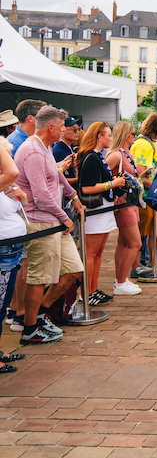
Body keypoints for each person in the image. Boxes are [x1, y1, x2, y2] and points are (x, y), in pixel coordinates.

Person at [15, 106, 85, 344]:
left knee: (74, 270)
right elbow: (41, 195)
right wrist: (64, 217)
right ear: (52, 127)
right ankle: (30, 328)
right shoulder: (33, 151)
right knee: (39, 277)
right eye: (63, 125)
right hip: (41, 223)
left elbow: (56, 176)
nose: (66, 129)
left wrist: (72, 196)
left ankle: (41, 313)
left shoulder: (44, 148)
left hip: (53, 222)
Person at [77, 122, 127, 306]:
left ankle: (92, 289)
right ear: (99, 137)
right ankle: (86, 292)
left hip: (102, 208)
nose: (111, 139)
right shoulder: (91, 157)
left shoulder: (96, 156)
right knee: (91, 253)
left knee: (98, 253)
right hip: (95, 210)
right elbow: (87, 187)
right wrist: (112, 184)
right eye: (108, 135)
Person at [105, 122, 144, 296]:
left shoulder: (127, 153)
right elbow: (103, 173)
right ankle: (120, 282)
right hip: (122, 202)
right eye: (133, 134)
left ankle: (120, 280)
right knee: (135, 243)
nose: (135, 137)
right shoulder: (116, 155)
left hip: (131, 201)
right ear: (125, 135)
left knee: (123, 242)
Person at [0, 136, 26, 371]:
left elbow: (17, 207)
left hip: (12, 248)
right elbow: (13, 171)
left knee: (3, 305)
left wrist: (21, 196)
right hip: (3, 251)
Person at [131, 113, 157, 275]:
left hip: (153, 196)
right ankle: (136, 266)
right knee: (142, 232)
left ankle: (153, 262)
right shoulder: (144, 145)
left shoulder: (151, 144)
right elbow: (140, 173)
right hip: (146, 196)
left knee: (156, 229)